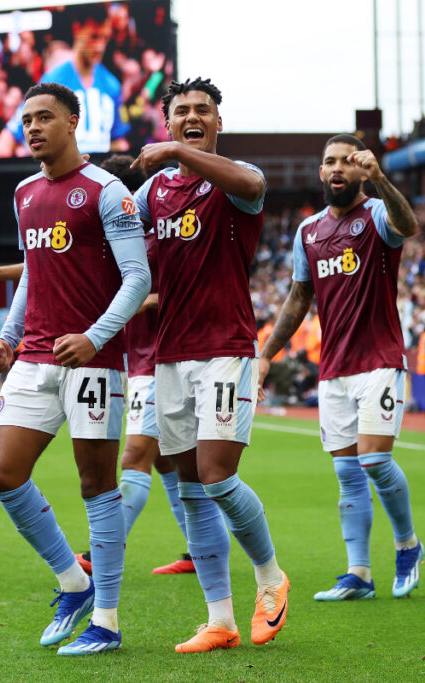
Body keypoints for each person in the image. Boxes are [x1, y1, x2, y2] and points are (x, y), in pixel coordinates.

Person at [0, 155, 192, 577]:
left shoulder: (149, 233)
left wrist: (102, 327)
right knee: (163, 461)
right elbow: (50, 258)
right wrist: (3, 296)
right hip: (115, 353)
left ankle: (104, 566)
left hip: (148, 355)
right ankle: (187, 551)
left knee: (136, 459)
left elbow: (154, 285)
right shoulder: (33, 196)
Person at [0, 83, 150, 656]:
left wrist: (95, 336)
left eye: (45, 117)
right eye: (26, 119)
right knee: (5, 475)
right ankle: (74, 582)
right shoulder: (26, 191)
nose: (32, 127)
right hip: (34, 356)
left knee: (96, 485)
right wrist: (7, 337)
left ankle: (106, 621)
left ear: (74, 122)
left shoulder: (108, 192)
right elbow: (33, 270)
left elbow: (138, 278)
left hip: (94, 360)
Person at [130, 77, 288, 653]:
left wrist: (174, 153)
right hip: (169, 356)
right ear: (167, 119)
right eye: (182, 112)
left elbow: (254, 182)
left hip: (225, 348)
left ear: (218, 123)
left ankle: (270, 576)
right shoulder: (151, 197)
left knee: (218, 476)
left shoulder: (233, 183)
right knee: (191, 486)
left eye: (204, 111)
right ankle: (218, 619)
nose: (193, 116)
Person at [259, 134, 425, 604]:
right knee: (348, 474)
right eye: (329, 161)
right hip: (333, 370)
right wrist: (266, 354)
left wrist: (381, 180)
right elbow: (298, 299)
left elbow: (408, 225)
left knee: (373, 459)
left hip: (379, 359)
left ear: (360, 171)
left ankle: (407, 544)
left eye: (347, 162)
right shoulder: (308, 231)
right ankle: (359, 573)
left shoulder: (375, 214)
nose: (337, 169)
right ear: (320, 172)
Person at [0, 5, 129, 157]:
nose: (100, 46)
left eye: (105, 38)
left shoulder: (112, 85)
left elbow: (119, 140)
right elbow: (8, 138)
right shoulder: (53, 81)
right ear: (77, 29)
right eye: (94, 37)